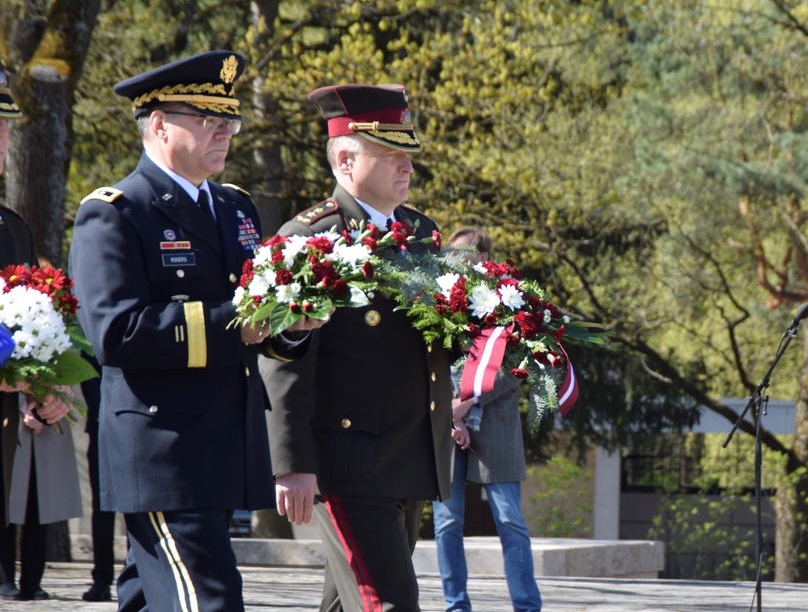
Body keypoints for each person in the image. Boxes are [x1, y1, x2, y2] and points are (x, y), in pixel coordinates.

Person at [68, 50, 322, 612]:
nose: (225, 133)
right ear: (158, 125)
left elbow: (262, 322)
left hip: (222, 448)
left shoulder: (237, 208)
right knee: (208, 600)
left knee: (150, 595)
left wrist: (295, 327)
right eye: (208, 120)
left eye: (229, 121)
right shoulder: (116, 212)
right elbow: (116, 331)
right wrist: (242, 324)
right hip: (163, 454)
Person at [258, 83, 454, 612]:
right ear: (345, 158)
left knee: (348, 604)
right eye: (390, 153)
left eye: (407, 153)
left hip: (409, 456)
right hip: (348, 461)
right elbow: (284, 358)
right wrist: (292, 463)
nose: (406, 165)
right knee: (388, 603)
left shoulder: (420, 234)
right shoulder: (310, 237)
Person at [433, 227, 542, 612]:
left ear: (484, 258)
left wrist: (469, 401)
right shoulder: (436, 300)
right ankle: (456, 606)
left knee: (510, 521)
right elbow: (430, 361)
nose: (460, 261)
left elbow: (516, 367)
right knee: (446, 525)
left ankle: (527, 606)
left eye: (468, 254)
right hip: (446, 425)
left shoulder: (509, 305)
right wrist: (452, 413)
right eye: (453, 253)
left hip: (496, 427)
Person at [0, 58, 71, 530]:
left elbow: (29, 328)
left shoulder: (12, 229)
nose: (2, 139)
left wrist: (49, 387)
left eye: (4, 126)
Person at [0, 393, 83, 600]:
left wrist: (40, 408)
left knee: (39, 506)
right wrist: (21, 407)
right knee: (6, 504)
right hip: (8, 418)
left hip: (47, 422)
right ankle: (4, 579)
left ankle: (32, 581)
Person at [80, 353, 116, 602]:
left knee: (143, 509)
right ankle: (102, 578)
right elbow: (88, 377)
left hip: (141, 426)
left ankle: (143, 576)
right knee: (103, 508)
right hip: (102, 428)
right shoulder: (98, 326)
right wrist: (106, 417)